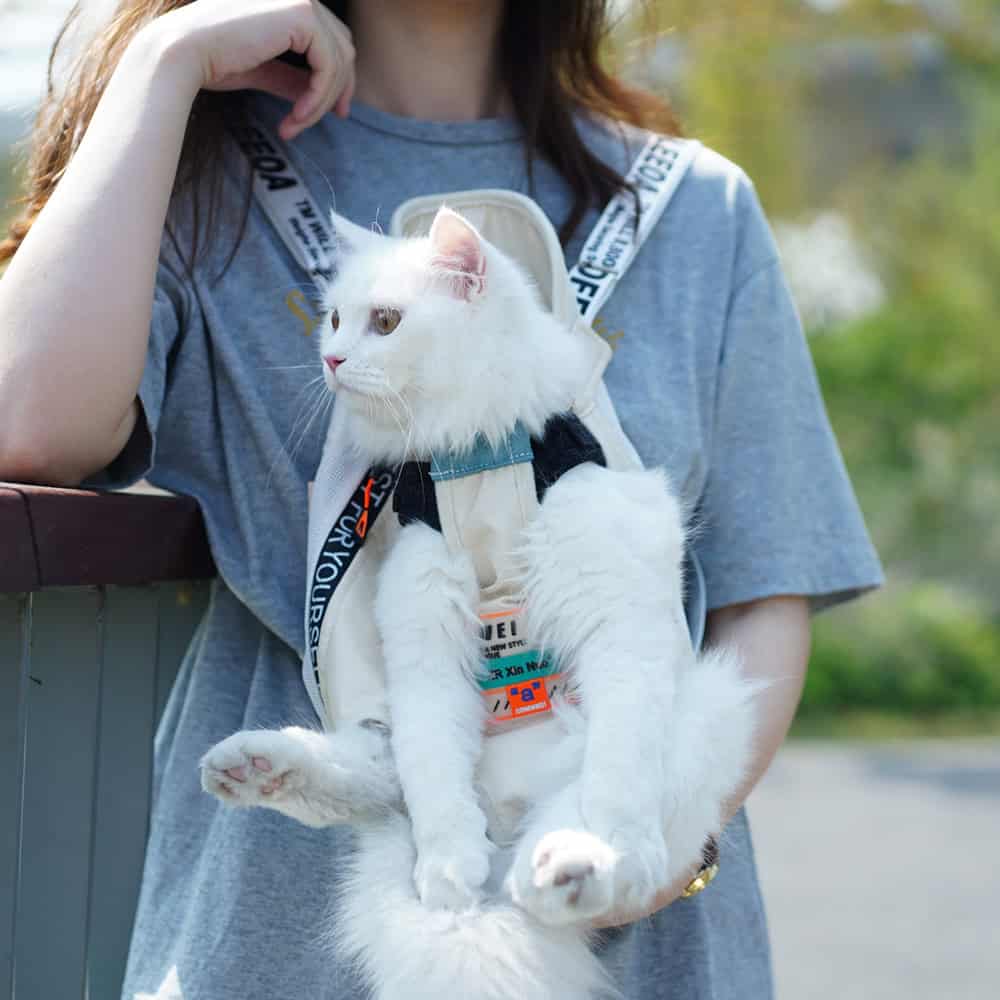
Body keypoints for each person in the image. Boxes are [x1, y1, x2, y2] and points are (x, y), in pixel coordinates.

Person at [0, 1, 883, 997]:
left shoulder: (690, 206)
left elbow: (763, 591)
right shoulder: (199, 176)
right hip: (283, 938)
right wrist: (162, 60)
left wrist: (662, 840)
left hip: (638, 925)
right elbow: (25, 427)